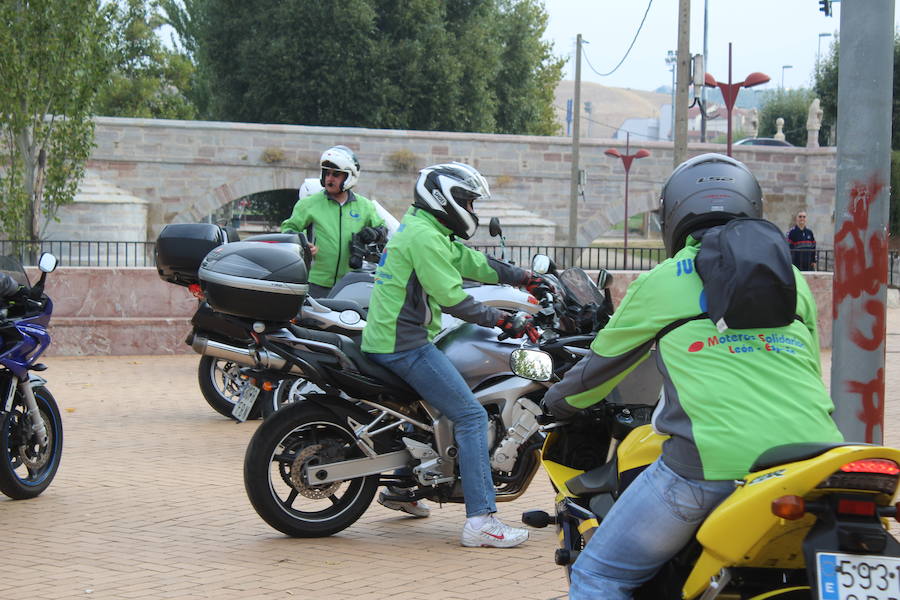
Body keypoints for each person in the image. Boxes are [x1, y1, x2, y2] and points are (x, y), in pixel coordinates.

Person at [542, 153, 843, 599]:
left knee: (599, 574)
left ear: (676, 213)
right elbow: (809, 365)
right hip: (814, 460)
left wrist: (555, 402)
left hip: (709, 467)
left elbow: (596, 374)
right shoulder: (793, 279)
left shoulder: (660, 282)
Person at [361, 162, 551, 547]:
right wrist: (504, 321)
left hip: (391, 339)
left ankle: (404, 489)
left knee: (432, 411)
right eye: (465, 200)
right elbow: (452, 297)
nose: (470, 208)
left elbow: (469, 262)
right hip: (404, 344)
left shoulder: (425, 229)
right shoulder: (424, 238)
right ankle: (481, 520)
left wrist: (520, 276)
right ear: (442, 198)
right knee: (471, 416)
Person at [281, 146, 387, 297]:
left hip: (350, 283)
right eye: (327, 173)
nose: (330, 178)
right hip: (315, 281)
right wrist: (302, 243)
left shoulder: (365, 206)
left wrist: (374, 233)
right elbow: (288, 229)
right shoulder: (309, 204)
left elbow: (382, 229)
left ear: (350, 177)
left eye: (336, 175)